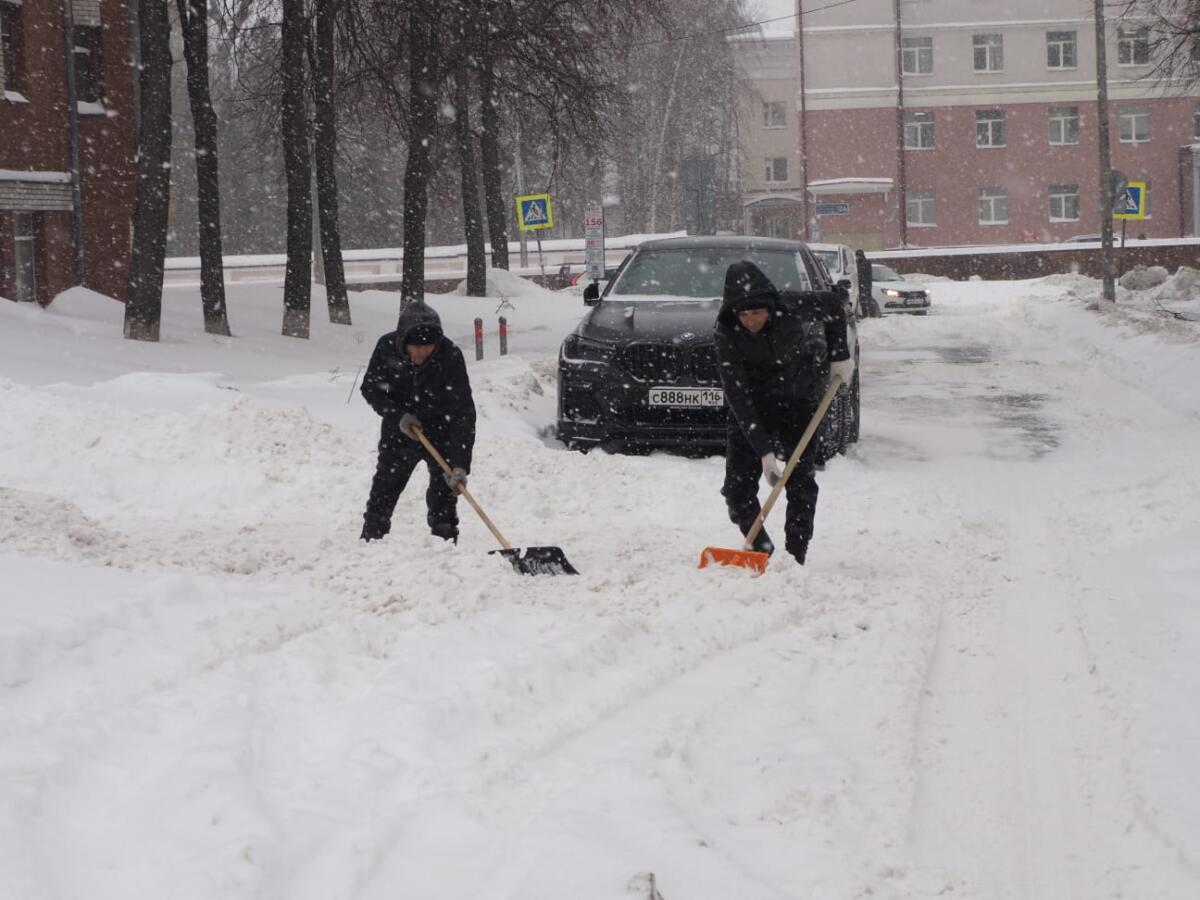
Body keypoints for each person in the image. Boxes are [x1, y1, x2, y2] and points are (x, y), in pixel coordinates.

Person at [713, 260, 855, 565]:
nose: (750, 321)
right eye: (744, 315)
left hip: (796, 401)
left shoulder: (790, 306)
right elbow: (736, 394)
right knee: (736, 491)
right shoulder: (726, 330)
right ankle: (762, 550)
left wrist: (839, 355)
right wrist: (764, 452)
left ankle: (795, 556)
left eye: (757, 313)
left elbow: (833, 306)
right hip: (753, 406)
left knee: (800, 482)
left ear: (769, 307)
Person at [359, 302, 476, 543]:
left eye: (428, 347)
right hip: (400, 433)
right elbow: (371, 388)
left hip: (440, 431)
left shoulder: (450, 355)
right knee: (384, 489)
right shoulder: (386, 348)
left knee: (444, 496)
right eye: (416, 347)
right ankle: (371, 540)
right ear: (403, 341)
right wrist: (398, 415)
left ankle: (445, 545)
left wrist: (460, 464)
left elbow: (463, 412)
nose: (422, 352)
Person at [855, 248, 880, 318]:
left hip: (866, 284)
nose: (858, 257)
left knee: (867, 300)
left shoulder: (866, 262)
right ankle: (864, 314)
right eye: (857, 256)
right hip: (861, 284)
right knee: (862, 300)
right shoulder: (857, 263)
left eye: (858, 256)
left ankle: (869, 314)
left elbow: (866, 274)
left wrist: (866, 284)